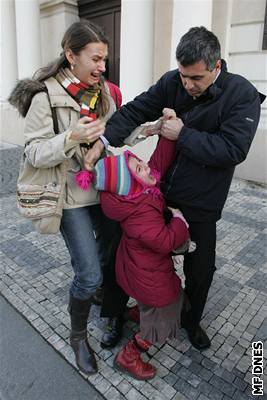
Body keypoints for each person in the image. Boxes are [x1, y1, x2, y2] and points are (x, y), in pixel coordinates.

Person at [84, 26, 265, 351]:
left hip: (200, 201)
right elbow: (137, 109)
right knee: (121, 253)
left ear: (217, 67)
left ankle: (191, 322)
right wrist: (103, 140)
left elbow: (233, 150)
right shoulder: (173, 81)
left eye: (196, 78)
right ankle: (114, 314)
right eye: (183, 76)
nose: (187, 85)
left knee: (201, 269)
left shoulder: (242, 95)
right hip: (154, 190)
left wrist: (182, 134)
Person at [8, 20, 124, 375]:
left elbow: (112, 135)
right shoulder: (44, 95)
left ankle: (107, 304)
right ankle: (78, 336)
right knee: (87, 273)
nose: (103, 66)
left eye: (105, 59)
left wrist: (138, 130)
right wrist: (71, 137)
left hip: (100, 189)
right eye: (96, 58)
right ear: (71, 55)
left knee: (111, 257)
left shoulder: (101, 92)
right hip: (69, 197)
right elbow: (34, 153)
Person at [76, 111, 191, 380]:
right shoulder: (140, 214)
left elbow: (158, 161)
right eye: (140, 169)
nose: (148, 169)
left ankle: (137, 311)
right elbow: (163, 241)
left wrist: (166, 133)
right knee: (165, 308)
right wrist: (179, 222)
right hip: (149, 275)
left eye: (141, 164)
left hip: (138, 270)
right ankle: (130, 354)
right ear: (130, 187)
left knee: (153, 299)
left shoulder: (141, 190)